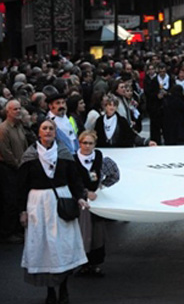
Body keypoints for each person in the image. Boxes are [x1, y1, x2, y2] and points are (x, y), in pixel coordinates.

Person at [18, 119, 89, 304]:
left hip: (61, 203)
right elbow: (21, 186)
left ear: (55, 132)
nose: (48, 131)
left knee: (62, 247)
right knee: (45, 248)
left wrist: (80, 196)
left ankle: (64, 288)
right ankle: (50, 291)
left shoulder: (64, 153)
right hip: (38, 205)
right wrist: (22, 211)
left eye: (51, 128)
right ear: (39, 133)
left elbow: (74, 179)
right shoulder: (30, 156)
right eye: (44, 128)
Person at [74, 130, 120, 276]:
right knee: (82, 232)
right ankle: (83, 264)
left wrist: (102, 186)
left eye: (90, 143)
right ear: (79, 143)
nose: (87, 146)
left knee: (97, 233)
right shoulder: (72, 160)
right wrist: (84, 193)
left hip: (96, 202)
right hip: (80, 202)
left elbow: (115, 174)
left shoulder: (100, 158)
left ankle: (96, 264)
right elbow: (70, 182)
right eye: (84, 143)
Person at [0, 100, 29, 243]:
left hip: (20, 166)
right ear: (8, 112)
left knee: (19, 198)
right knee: (10, 200)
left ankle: (18, 228)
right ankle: (8, 232)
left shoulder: (19, 127)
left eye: (19, 108)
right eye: (15, 109)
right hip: (8, 169)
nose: (18, 111)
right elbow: (5, 151)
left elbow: (24, 145)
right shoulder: (3, 129)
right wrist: (17, 164)